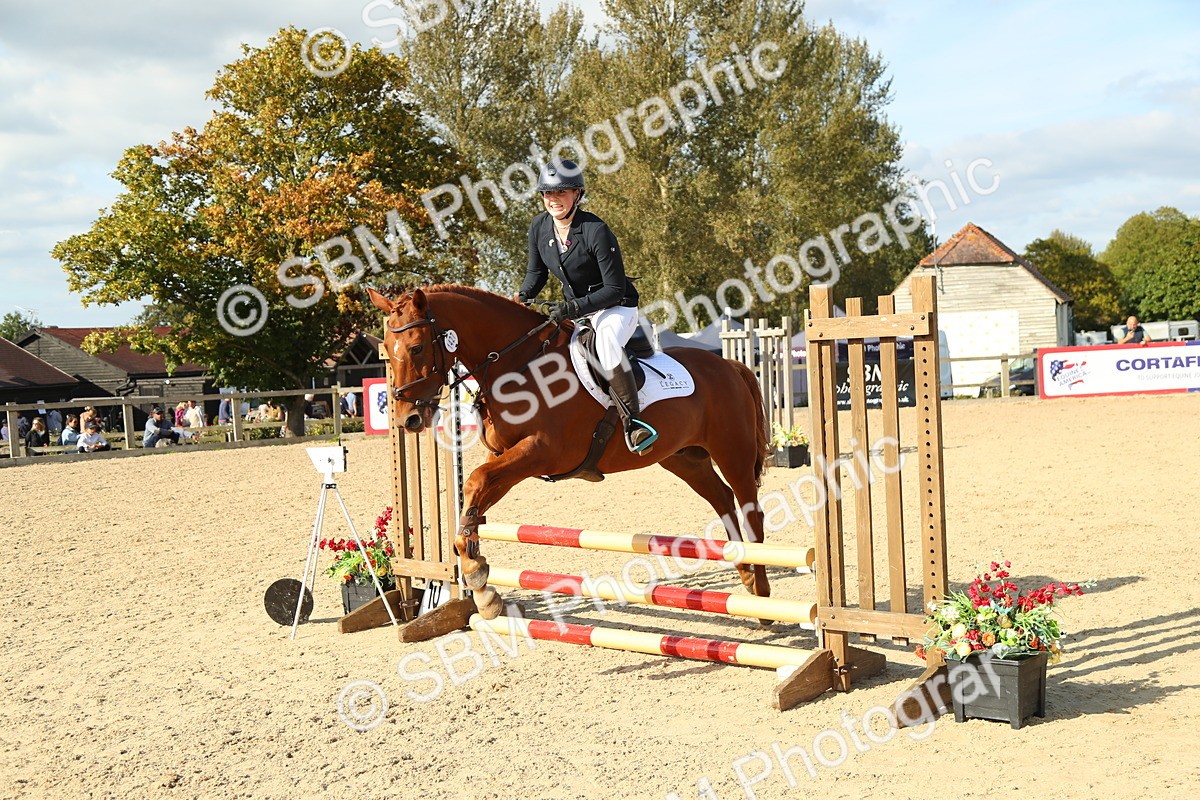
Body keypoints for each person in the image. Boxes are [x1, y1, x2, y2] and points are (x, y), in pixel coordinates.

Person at [517, 158, 657, 454]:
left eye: (561, 193)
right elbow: (536, 273)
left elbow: (614, 288)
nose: (553, 200)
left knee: (606, 343)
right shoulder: (539, 227)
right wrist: (522, 296)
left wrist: (571, 309)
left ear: (577, 195)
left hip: (615, 308)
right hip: (580, 312)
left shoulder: (595, 230)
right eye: (548, 194)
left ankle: (634, 424)